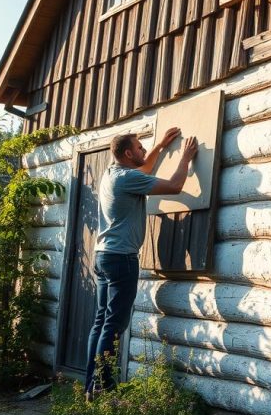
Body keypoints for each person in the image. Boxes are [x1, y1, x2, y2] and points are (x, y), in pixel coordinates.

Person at [84, 127, 198, 400]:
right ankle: (105, 388)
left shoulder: (113, 174)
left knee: (101, 323)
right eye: (139, 147)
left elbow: (144, 169)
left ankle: (92, 386)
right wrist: (185, 157)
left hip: (104, 256)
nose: (144, 150)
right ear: (127, 153)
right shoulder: (127, 178)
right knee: (114, 325)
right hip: (122, 259)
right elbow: (174, 186)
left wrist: (160, 145)